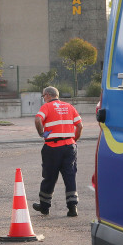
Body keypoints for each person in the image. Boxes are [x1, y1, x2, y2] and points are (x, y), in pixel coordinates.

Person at [32, 86, 83, 217]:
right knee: (69, 176)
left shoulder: (47, 107)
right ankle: (72, 207)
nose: (44, 98)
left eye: (44, 96)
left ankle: (44, 206)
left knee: (49, 176)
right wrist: (74, 139)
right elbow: (79, 125)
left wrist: (41, 133)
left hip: (52, 147)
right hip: (70, 146)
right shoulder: (69, 106)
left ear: (48, 95)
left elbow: (38, 119)